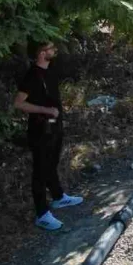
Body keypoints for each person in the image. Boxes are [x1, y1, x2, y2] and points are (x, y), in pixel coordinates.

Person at [14, 41, 84, 230]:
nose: (55, 51)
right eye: (52, 48)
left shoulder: (50, 70)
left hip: (55, 127)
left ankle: (58, 197)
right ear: (41, 53)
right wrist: (44, 110)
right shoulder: (32, 75)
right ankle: (42, 214)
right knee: (40, 171)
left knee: (52, 163)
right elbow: (19, 103)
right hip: (40, 130)